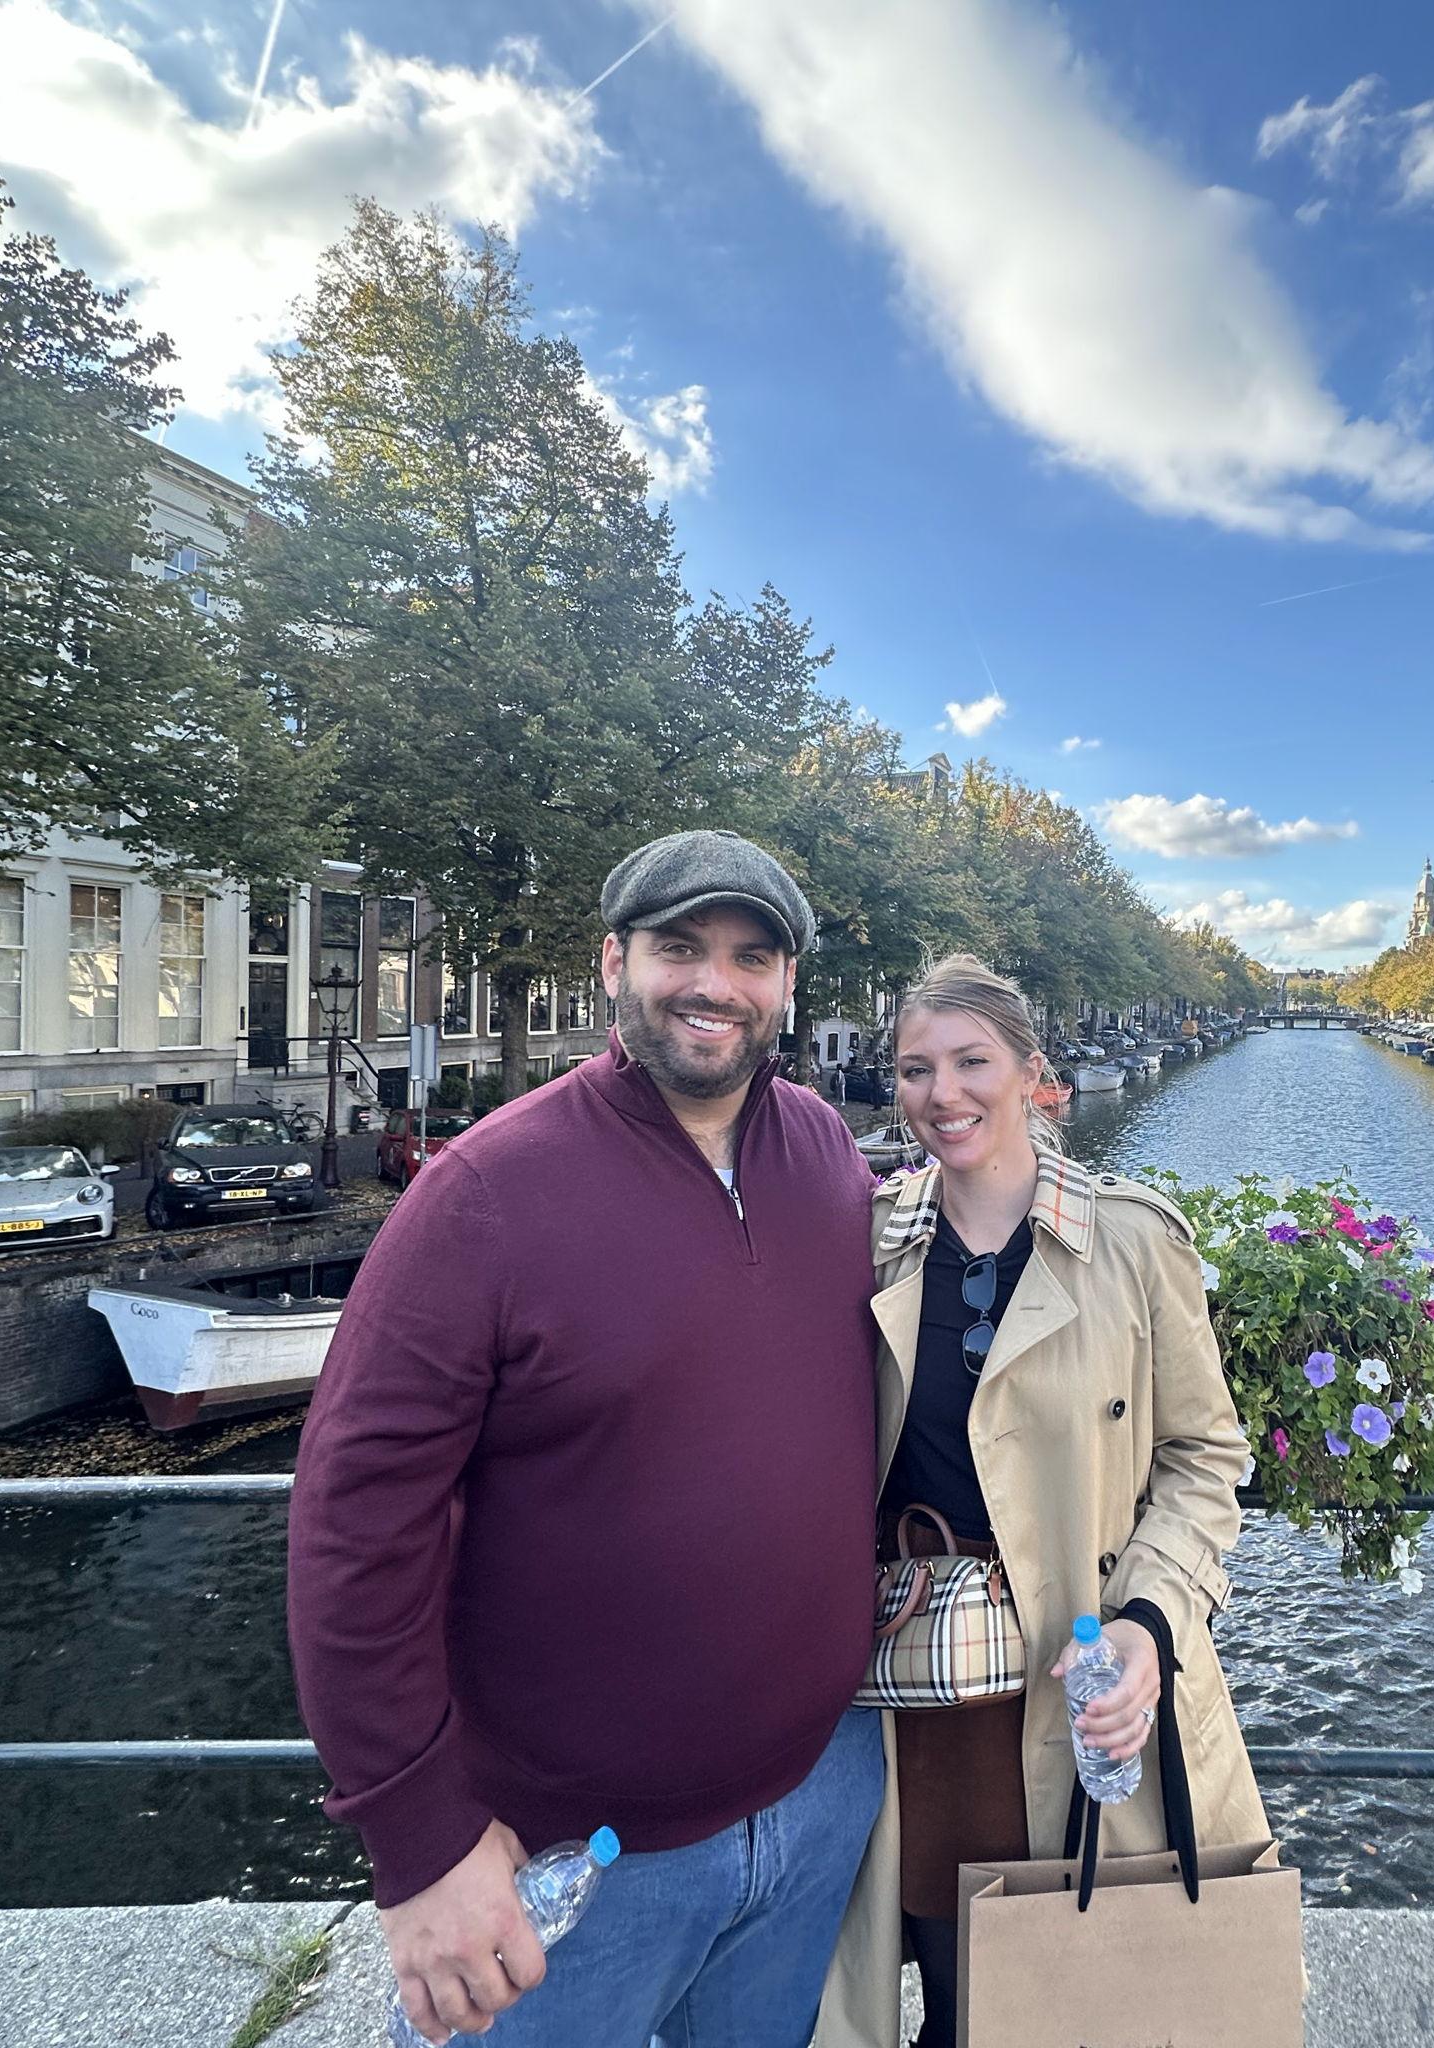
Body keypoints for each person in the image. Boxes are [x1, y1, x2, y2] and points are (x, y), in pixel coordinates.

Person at [288, 830, 884, 2047]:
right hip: (573, 1864)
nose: (713, 983)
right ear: (612, 959)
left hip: (819, 1795)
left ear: (785, 986)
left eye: (750, 955)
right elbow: (353, 1526)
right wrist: (418, 1842)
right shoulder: (481, 1194)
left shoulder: (825, 1152)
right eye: (678, 947)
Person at [818, 956, 1268, 2048]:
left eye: (972, 1061)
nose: (942, 1093)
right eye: (914, 1068)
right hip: (926, 1689)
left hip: (1087, 1678)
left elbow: (1206, 1456)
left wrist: (1150, 1620)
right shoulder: (869, 1238)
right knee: (951, 1989)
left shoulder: (1131, 1240)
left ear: (1031, 1070)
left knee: (1097, 1996)